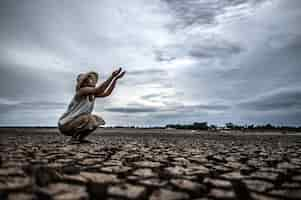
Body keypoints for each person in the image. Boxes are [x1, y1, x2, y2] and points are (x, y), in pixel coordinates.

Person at [57, 67, 126, 142]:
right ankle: (73, 138)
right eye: (85, 80)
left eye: (89, 79)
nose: (88, 81)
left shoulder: (93, 94)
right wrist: (112, 76)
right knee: (88, 118)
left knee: (96, 119)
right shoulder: (82, 91)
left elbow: (107, 93)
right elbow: (99, 89)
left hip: (76, 122)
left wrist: (115, 79)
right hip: (65, 125)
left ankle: (81, 138)